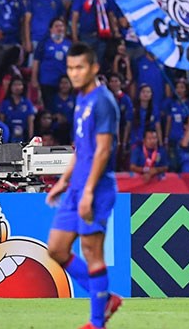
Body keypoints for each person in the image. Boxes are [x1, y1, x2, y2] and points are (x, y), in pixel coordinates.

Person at [45, 43, 122, 329]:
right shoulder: (82, 99)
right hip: (76, 185)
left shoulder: (104, 101)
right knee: (56, 248)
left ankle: (96, 322)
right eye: (70, 68)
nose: (74, 73)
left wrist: (88, 191)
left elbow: (102, 151)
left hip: (97, 188)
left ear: (93, 68)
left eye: (79, 68)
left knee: (92, 253)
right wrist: (63, 182)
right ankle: (105, 299)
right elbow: (82, 148)